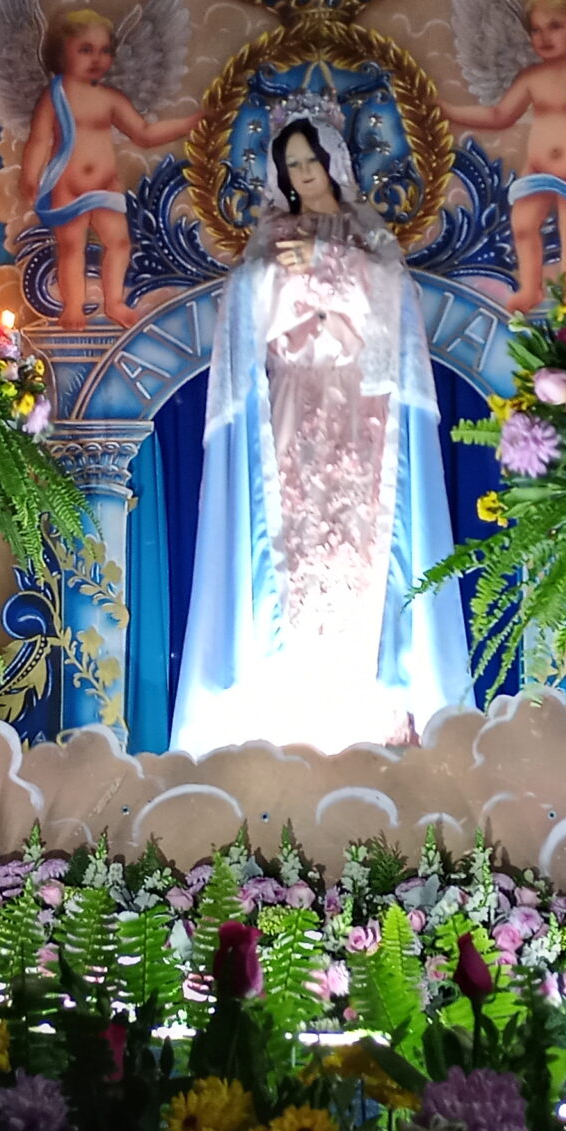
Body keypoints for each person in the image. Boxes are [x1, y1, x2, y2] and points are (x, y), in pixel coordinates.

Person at [171, 108, 473, 754]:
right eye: (292, 166)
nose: (303, 175)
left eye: (310, 162)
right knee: (292, 542)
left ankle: (376, 708)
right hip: (296, 403)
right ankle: (289, 708)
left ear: (333, 162)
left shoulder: (365, 233)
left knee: (364, 545)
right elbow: (249, 300)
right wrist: (289, 275)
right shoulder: (272, 235)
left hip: (361, 412)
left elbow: (394, 301)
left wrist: (328, 265)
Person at [443, 0, 566, 312]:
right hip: (538, 167)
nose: (544, 37)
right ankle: (530, 289)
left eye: (555, 27)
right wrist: (447, 111)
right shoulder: (531, 76)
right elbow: (499, 114)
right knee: (522, 224)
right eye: (536, 30)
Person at [20, 6, 198, 330]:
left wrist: (189, 123)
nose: (97, 59)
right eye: (85, 50)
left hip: (105, 183)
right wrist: (30, 178)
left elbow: (143, 133)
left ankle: (114, 302)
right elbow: (38, 140)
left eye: (104, 51)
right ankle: (73, 306)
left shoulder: (110, 98)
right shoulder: (56, 95)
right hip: (68, 184)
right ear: (63, 54)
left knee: (119, 242)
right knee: (71, 246)